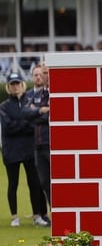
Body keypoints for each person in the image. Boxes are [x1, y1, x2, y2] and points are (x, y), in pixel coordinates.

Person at [0, 72, 49, 227]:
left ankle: (37, 215)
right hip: (11, 151)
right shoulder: (4, 106)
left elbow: (35, 122)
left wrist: (25, 121)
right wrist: (27, 121)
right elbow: (8, 128)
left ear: (22, 84)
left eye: (17, 83)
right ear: (8, 87)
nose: (15, 87)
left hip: (28, 148)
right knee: (12, 184)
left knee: (34, 183)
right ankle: (14, 216)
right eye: (12, 84)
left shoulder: (30, 102)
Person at [22, 64, 51, 218]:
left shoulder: (55, 93)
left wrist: (36, 112)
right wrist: (41, 110)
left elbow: (50, 117)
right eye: (41, 73)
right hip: (38, 145)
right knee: (44, 183)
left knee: (56, 184)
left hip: (52, 144)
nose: (44, 76)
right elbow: (25, 114)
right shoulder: (32, 95)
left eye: (45, 73)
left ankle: (59, 216)